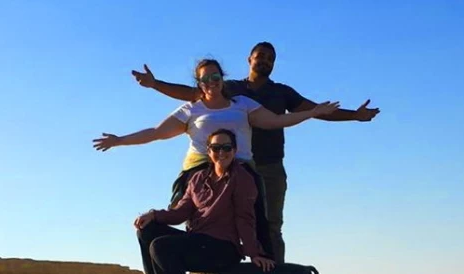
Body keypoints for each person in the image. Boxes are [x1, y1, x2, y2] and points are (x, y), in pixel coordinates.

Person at [130, 42, 379, 262]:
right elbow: (192, 93)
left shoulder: (281, 92)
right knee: (199, 217)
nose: (265, 61)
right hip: (221, 165)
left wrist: (354, 116)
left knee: (268, 224)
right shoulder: (230, 88)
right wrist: (155, 84)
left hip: (267, 167)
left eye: (270, 58)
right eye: (260, 56)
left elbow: (315, 110)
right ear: (249, 59)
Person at [95, 58, 339, 257]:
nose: (211, 82)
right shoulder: (192, 109)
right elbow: (157, 133)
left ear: (222, 79)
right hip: (199, 172)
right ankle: (173, 273)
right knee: (183, 217)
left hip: (240, 168)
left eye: (215, 77)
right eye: (205, 79)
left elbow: (276, 121)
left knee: (258, 218)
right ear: (199, 83)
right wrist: (119, 140)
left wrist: (312, 112)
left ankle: (264, 266)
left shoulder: (242, 104)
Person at [134, 129, 272, 274]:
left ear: (235, 150)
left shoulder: (242, 178)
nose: (221, 152)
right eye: (216, 147)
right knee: (147, 231)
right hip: (197, 242)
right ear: (209, 151)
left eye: (227, 147)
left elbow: (245, 218)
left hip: (223, 249)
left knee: (161, 246)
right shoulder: (197, 179)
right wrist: (153, 215)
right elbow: (180, 213)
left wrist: (254, 252)